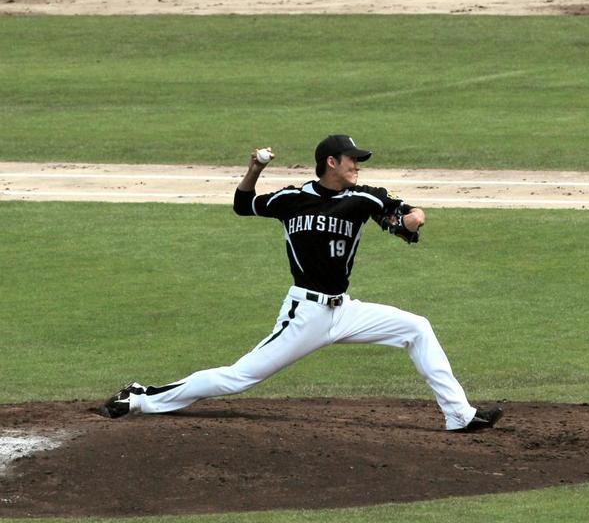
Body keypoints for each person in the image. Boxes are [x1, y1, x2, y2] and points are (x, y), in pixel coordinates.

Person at [101, 134, 504, 435]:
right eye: (352, 160)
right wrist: (254, 170)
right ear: (331, 162)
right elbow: (244, 205)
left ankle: (459, 415)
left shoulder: (363, 198)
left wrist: (413, 217)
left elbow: (398, 213)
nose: (357, 166)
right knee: (240, 377)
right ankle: (140, 397)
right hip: (305, 313)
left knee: (417, 327)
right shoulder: (292, 199)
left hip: (345, 311)